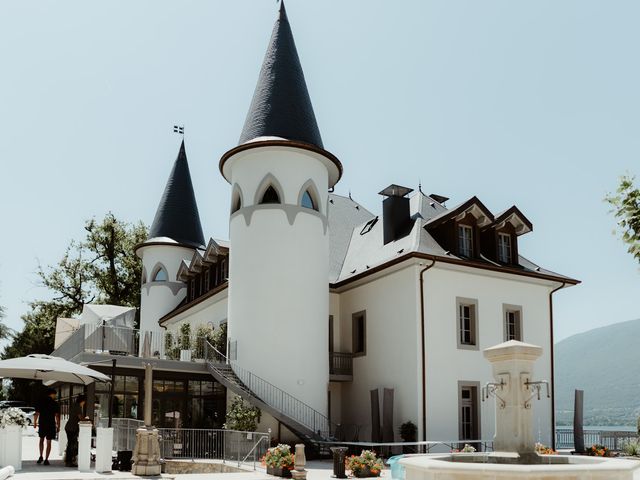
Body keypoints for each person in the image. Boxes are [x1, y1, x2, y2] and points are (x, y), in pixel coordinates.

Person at [34, 388, 60, 466]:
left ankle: (41, 456)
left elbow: (36, 413)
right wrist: (58, 425)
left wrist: (35, 422)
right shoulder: (55, 403)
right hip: (51, 424)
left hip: (42, 423)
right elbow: (57, 416)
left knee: (41, 440)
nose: (55, 396)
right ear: (51, 394)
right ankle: (46, 459)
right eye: (55, 394)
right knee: (49, 442)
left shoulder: (41, 402)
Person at [64, 394, 86, 467]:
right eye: (84, 402)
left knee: (70, 444)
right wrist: (87, 419)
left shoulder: (74, 405)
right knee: (71, 445)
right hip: (72, 428)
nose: (84, 403)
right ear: (82, 401)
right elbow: (80, 418)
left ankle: (68, 460)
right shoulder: (78, 407)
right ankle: (69, 461)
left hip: (69, 427)